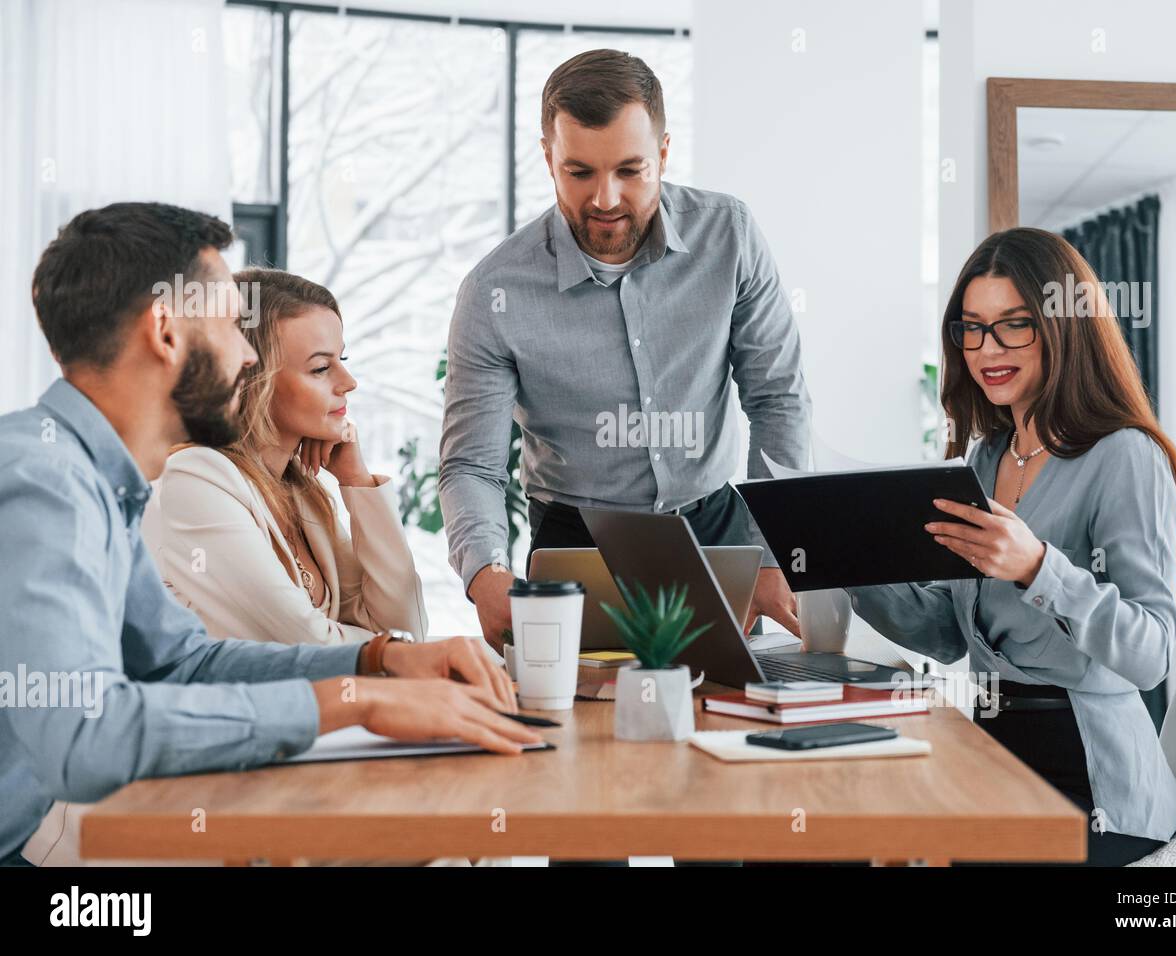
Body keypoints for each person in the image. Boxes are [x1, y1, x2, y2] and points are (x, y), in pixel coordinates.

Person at [0, 202, 538, 867]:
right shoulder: (43, 483)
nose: (247, 354)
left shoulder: (96, 482)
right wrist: (354, 701)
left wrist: (378, 663)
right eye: (230, 324)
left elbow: (181, 662)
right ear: (166, 332)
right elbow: (84, 738)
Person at [438, 49, 813, 650]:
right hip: (576, 541)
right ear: (548, 158)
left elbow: (777, 400)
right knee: (580, 731)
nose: (606, 199)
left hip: (715, 529)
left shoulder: (730, 235)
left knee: (724, 716)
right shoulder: (494, 291)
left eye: (630, 171)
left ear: (664, 153)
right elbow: (473, 465)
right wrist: (485, 571)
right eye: (579, 172)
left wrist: (773, 553)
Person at [848, 227, 1176, 866]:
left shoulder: (1125, 456)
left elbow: (1150, 654)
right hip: (994, 759)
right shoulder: (984, 459)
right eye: (972, 328)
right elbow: (950, 634)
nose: (987, 349)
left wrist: (1038, 566)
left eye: (1014, 325)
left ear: (1064, 329)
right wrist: (842, 565)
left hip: (1094, 787)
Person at [142, 268, 427, 646]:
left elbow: (405, 632)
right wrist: (393, 651)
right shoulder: (193, 479)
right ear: (247, 379)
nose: (349, 382)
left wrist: (356, 481)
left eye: (342, 359)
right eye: (322, 368)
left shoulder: (299, 487)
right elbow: (307, 646)